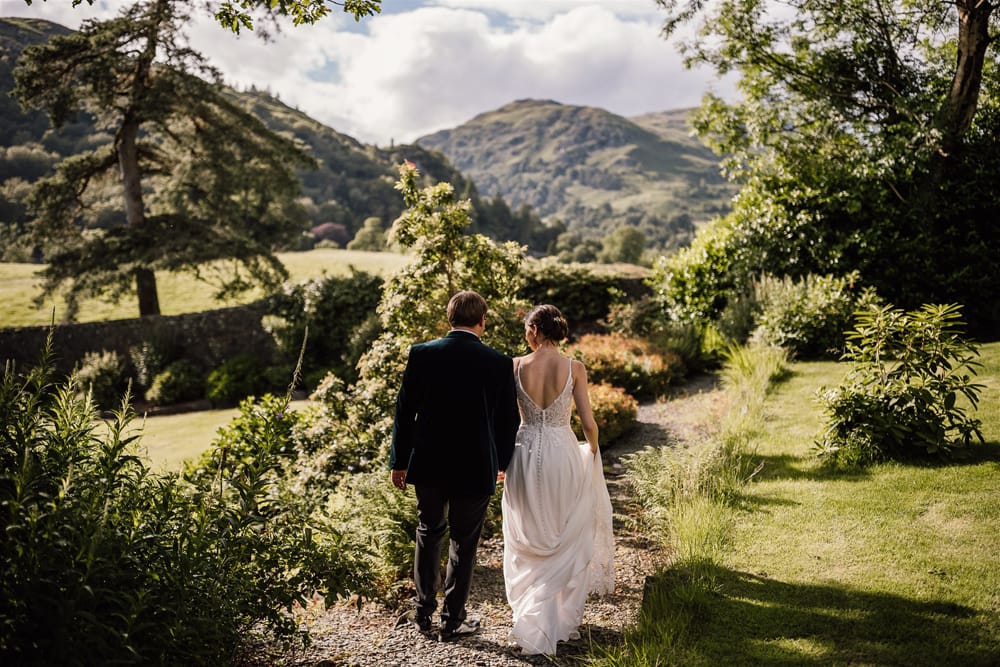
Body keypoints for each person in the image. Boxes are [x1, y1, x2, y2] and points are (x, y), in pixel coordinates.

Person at [390, 290, 520, 642]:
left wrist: (398, 461)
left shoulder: (422, 354)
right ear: (483, 321)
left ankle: (421, 614)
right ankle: (452, 620)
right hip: (476, 464)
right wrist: (502, 462)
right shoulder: (497, 361)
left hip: (429, 461)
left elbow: (404, 412)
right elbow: (508, 420)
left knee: (428, 532)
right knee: (464, 541)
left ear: (450, 318)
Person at [501, 304, 615, 655]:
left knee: (529, 531)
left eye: (526, 328)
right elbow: (588, 423)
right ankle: (557, 619)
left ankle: (535, 620)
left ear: (534, 329)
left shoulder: (515, 366)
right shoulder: (574, 367)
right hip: (563, 452)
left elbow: (505, 420)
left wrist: (501, 459)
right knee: (563, 527)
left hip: (523, 450)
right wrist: (593, 452)